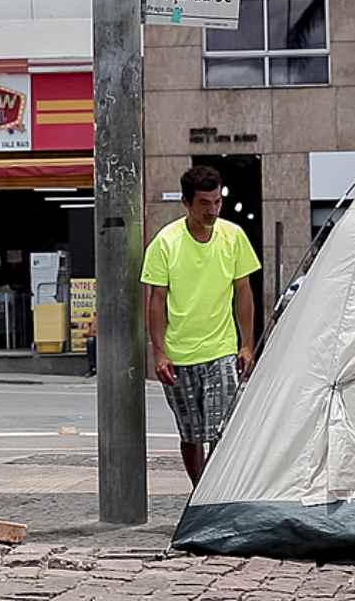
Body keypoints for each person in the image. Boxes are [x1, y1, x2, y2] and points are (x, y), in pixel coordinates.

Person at [140, 165, 261, 487]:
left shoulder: (233, 237)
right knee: (191, 434)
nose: (212, 210)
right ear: (186, 203)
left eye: (217, 202)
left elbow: (243, 292)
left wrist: (246, 344)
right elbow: (156, 302)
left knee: (221, 429)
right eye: (204, 203)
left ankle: (217, 492)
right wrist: (159, 352)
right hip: (179, 354)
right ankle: (200, 491)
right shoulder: (165, 243)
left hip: (220, 349)